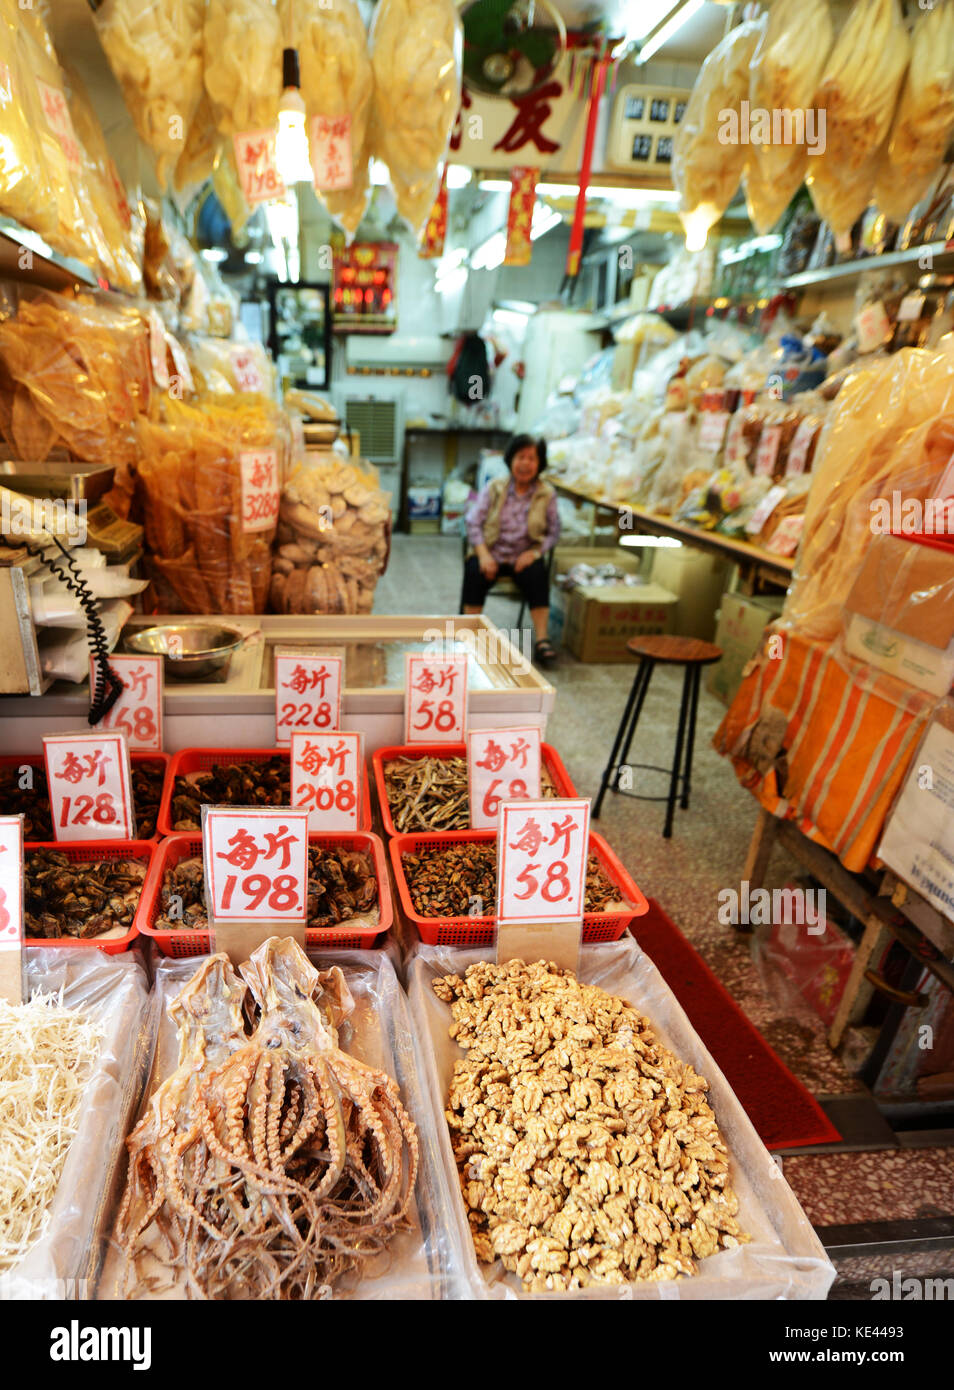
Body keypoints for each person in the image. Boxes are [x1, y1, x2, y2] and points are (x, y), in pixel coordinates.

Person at [461, 433, 560, 667]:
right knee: (475, 571)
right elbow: (473, 521)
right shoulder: (494, 487)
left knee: (538, 573)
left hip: (523, 556)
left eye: (532, 458)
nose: (525, 463)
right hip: (492, 552)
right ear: (510, 460)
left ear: (540, 464)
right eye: (520, 457)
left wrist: (535, 553)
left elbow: (554, 532)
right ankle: (468, 634)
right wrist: (484, 554)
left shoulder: (547, 494)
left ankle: (542, 640)